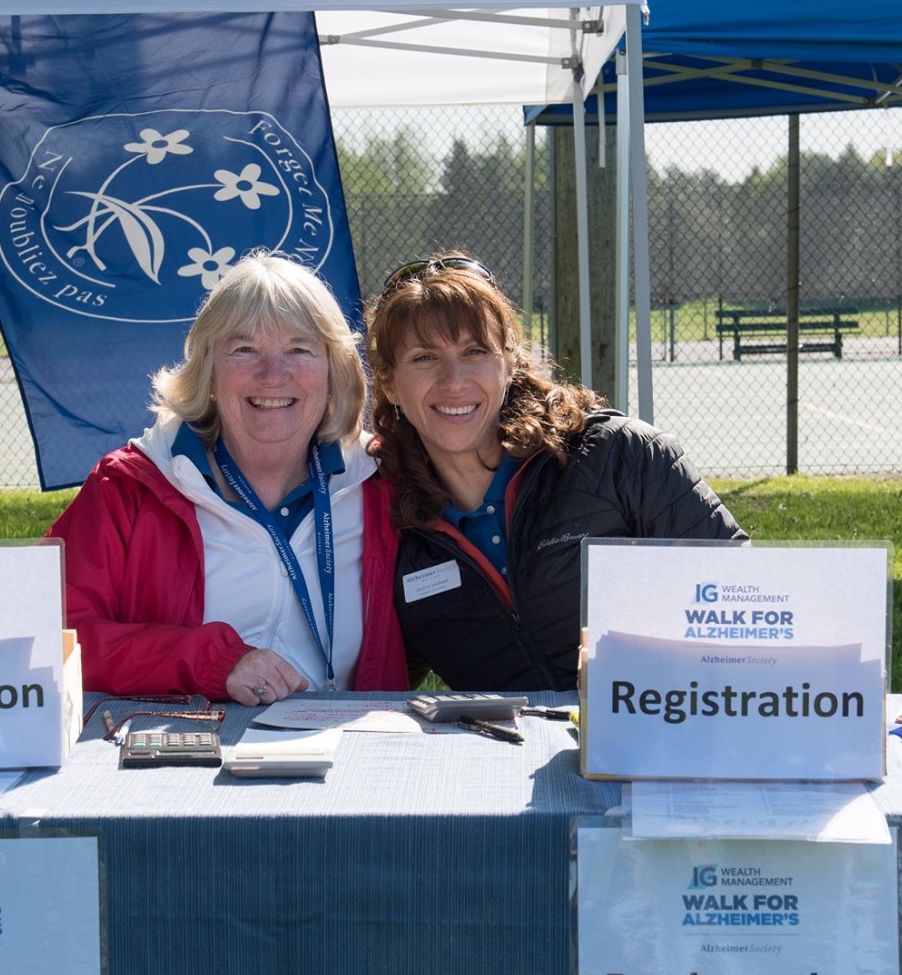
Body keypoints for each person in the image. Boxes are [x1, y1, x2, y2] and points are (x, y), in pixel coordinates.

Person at [366, 252, 745, 691]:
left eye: (475, 351)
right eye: (424, 358)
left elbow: (740, 604)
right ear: (389, 383)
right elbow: (380, 677)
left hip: (659, 738)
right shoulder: (391, 525)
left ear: (509, 363)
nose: (454, 381)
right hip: (507, 756)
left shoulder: (619, 455)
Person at [46, 252, 408, 703]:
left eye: (300, 349)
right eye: (245, 350)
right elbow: (50, 634)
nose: (274, 375)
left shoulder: (382, 485)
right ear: (209, 371)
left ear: (334, 372)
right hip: (181, 754)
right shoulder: (129, 486)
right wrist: (208, 663)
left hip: (343, 754)